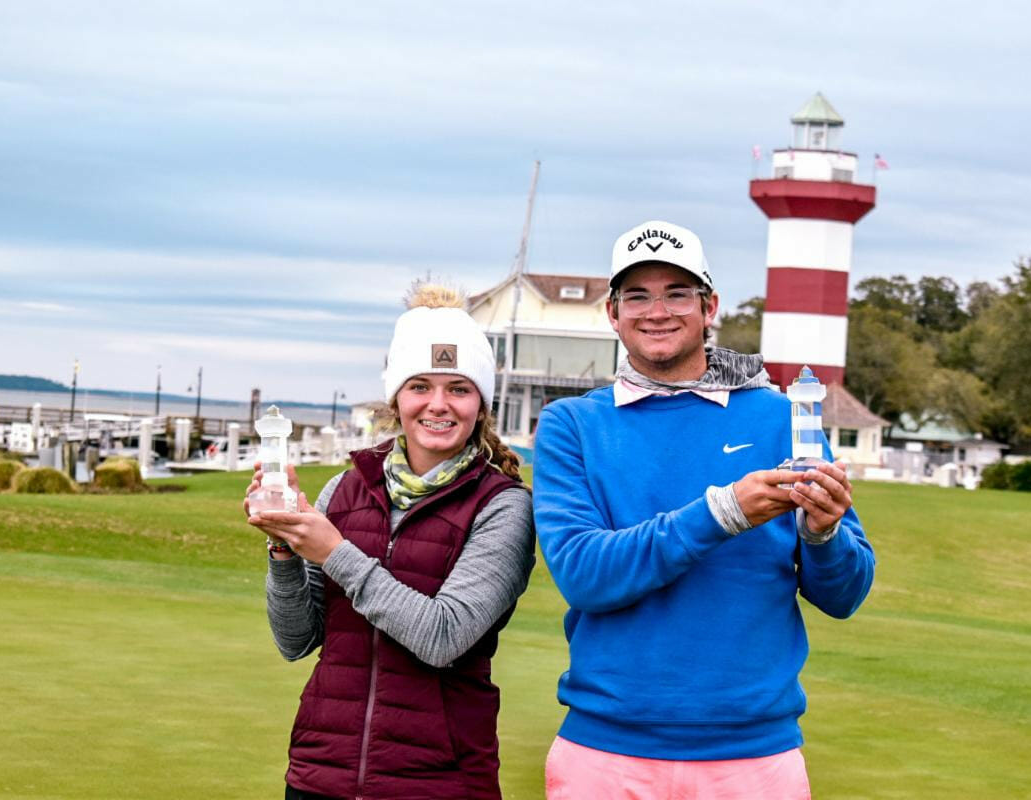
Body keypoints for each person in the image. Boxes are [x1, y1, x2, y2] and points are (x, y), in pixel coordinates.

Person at [533, 220, 876, 799]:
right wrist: (724, 512)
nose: (657, 312)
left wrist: (824, 534)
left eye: (677, 293)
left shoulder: (781, 416)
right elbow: (586, 576)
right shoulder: (574, 424)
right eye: (637, 296)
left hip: (755, 757)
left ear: (709, 306)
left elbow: (845, 595)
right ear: (612, 313)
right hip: (605, 752)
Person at [246, 283, 535, 800]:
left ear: (481, 404)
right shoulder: (344, 490)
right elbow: (296, 641)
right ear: (396, 398)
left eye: (459, 389)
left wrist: (334, 551)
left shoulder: (503, 506)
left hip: (439, 783)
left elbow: (444, 637)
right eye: (420, 386)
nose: (438, 405)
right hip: (320, 776)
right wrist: (285, 546)